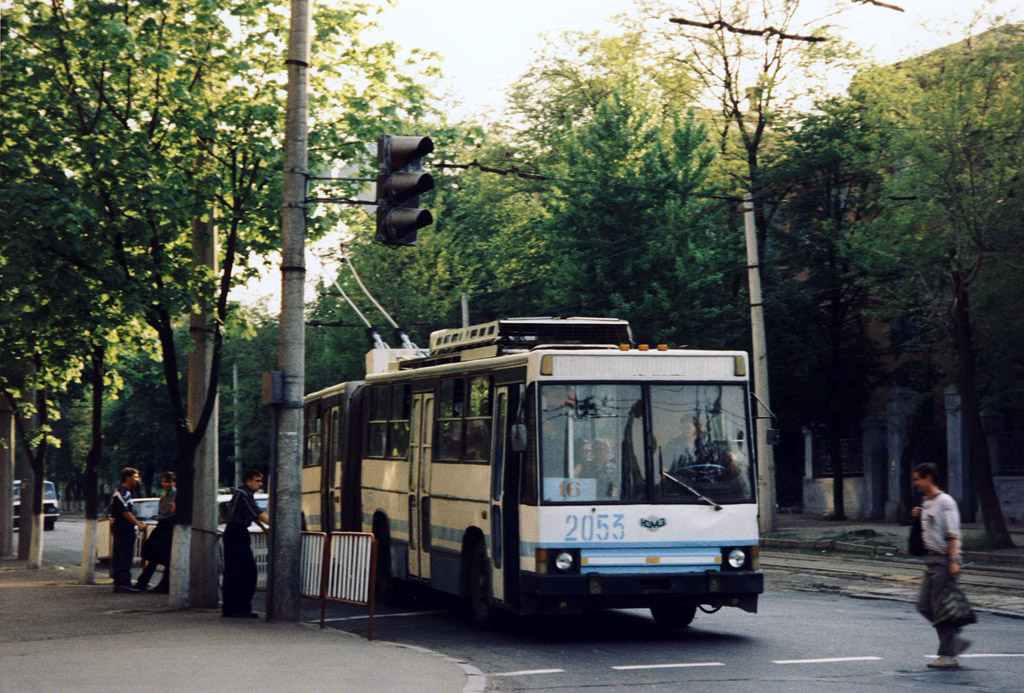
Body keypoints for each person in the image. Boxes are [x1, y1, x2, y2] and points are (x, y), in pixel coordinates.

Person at [912, 462, 972, 669]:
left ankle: (948, 655)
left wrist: (954, 561)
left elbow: (952, 534)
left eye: (918, 479)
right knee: (924, 606)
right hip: (931, 559)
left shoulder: (945, 502)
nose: (916, 483)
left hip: (944, 560)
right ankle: (954, 639)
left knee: (940, 608)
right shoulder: (926, 502)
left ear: (929, 478)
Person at [222, 468, 269, 618]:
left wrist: (263, 528)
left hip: (235, 533)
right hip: (237, 533)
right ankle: (240, 608)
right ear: (248, 481)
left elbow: (252, 515)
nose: (260, 484)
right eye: (257, 481)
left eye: (261, 481)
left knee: (235, 572)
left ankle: (232, 608)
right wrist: (276, 526)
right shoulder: (243, 495)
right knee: (247, 572)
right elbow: (257, 512)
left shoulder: (243, 494)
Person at [135, 471, 176, 593]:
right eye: (164, 481)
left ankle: (162, 584)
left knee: (162, 554)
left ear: (174, 482)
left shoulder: (176, 495)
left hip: (169, 526)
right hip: (162, 524)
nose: (166, 484)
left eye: (169, 481)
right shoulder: (164, 496)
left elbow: (173, 511)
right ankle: (143, 581)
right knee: (150, 551)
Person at [109, 467, 146, 593]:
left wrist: (136, 522)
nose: (137, 479)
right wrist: (137, 524)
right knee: (124, 555)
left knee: (121, 554)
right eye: (135, 477)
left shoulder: (127, 492)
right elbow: (125, 511)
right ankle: (123, 583)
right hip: (123, 527)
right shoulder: (122, 492)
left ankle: (120, 582)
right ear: (128, 477)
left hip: (123, 526)